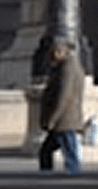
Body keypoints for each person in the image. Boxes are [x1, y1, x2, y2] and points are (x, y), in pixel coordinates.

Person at [35, 38, 85, 175]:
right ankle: (48, 173)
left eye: (53, 52)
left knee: (69, 152)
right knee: (48, 150)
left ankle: (72, 175)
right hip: (65, 120)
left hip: (64, 121)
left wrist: (52, 119)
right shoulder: (67, 67)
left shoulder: (67, 69)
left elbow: (63, 97)